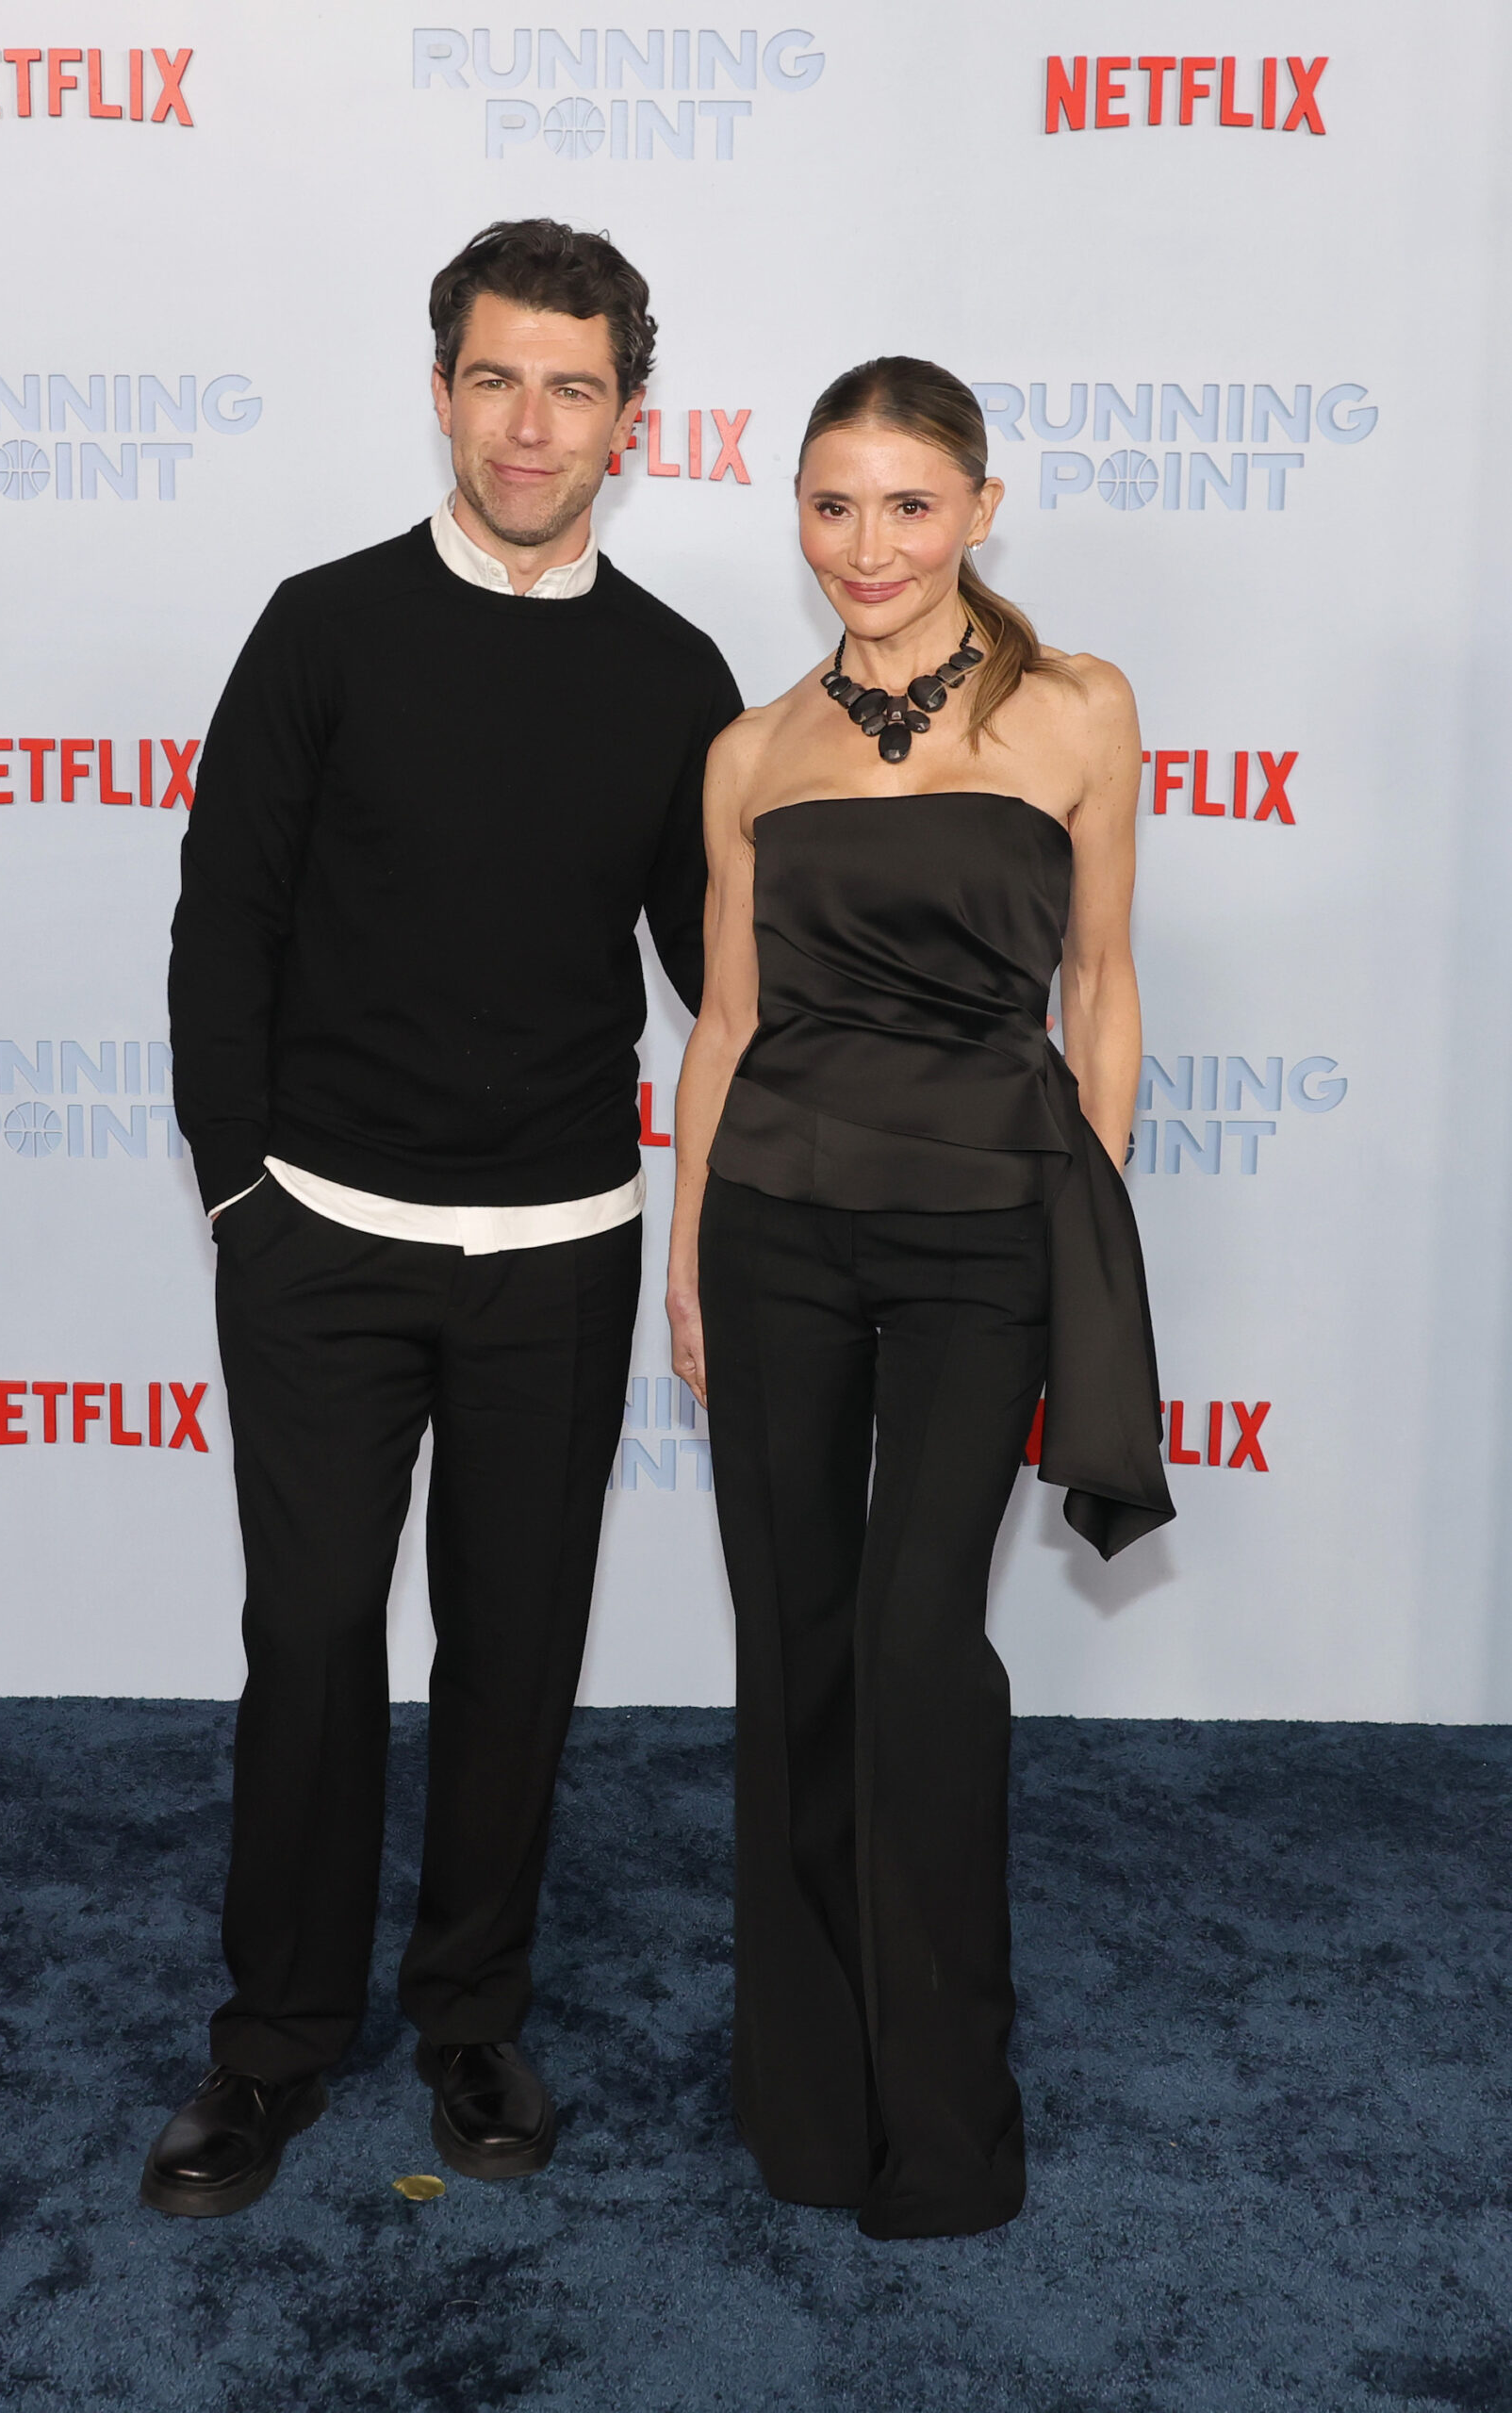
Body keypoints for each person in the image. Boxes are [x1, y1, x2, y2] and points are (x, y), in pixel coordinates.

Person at [143, 218, 742, 2219]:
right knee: (309, 1640)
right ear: (441, 387)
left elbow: (711, 969)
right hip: (317, 1230)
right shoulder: (320, 626)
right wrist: (240, 1186)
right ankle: (271, 2043)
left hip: (558, 1248)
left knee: (514, 1649)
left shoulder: (676, 675)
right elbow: (223, 916)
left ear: (627, 422)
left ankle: (470, 2010)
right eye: (495, 376)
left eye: (571, 385)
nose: (528, 420)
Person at [667, 357, 1174, 2242]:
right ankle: (810, 2107)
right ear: (794, 514)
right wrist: (685, 1259)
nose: (863, 545)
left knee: (912, 1651)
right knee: (794, 1659)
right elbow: (723, 1024)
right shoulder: (748, 751)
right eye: (827, 503)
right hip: (776, 1230)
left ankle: (944, 2115)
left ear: (976, 505)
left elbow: (1102, 984)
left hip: (980, 1236)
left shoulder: (1077, 709)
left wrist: (1086, 1217)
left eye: (903, 503)